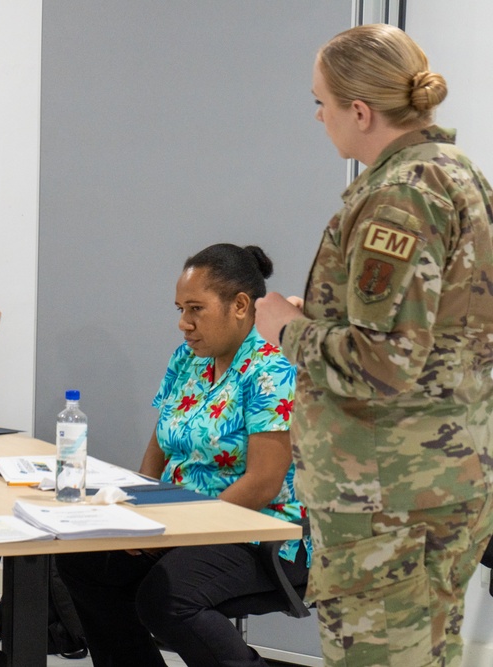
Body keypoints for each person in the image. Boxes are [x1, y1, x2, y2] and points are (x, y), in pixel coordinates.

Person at [255, 24, 493, 667]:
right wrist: (327, 318)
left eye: (321, 102)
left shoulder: (397, 195)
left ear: (359, 112)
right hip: (448, 477)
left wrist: (284, 327)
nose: (318, 115)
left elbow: (383, 363)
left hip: (384, 497)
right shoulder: (459, 175)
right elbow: (442, 327)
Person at [58, 244, 309, 667]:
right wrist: (138, 515)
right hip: (181, 522)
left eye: (195, 309)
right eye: (180, 309)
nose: (183, 324)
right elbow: (160, 443)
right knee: (86, 564)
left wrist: (180, 530)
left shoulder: (272, 367)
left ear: (240, 306)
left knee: (167, 596)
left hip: (260, 530)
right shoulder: (188, 359)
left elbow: (265, 482)